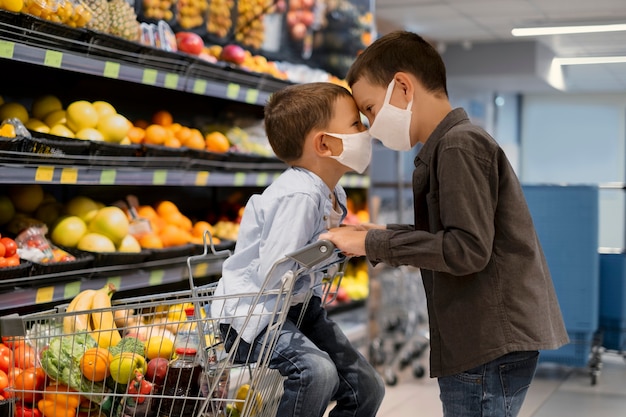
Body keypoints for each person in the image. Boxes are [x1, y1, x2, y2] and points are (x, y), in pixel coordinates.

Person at [319, 31, 569, 417]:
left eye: (369, 109)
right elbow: (452, 234)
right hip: (485, 339)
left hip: (486, 341)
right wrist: (381, 234)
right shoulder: (450, 146)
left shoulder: (457, 145)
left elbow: (465, 250)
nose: (370, 123)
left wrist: (374, 247)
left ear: (402, 87)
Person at [211, 82, 385, 417]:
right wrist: (335, 244)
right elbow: (276, 271)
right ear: (323, 143)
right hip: (252, 316)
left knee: (367, 388)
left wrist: (351, 236)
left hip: (299, 310)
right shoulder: (298, 195)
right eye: (355, 124)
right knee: (316, 373)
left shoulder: (333, 192)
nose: (366, 130)